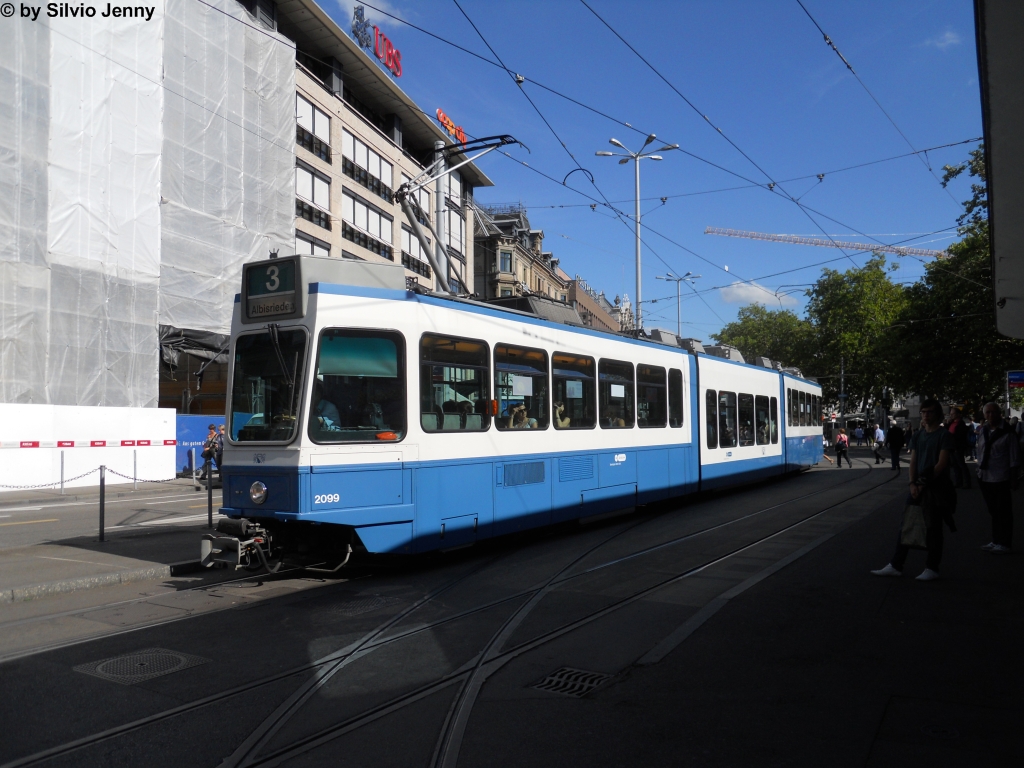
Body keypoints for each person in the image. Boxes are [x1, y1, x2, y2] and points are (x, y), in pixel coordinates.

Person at [872, 398, 956, 581]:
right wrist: (912, 483)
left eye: (929, 412)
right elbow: (913, 461)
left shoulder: (944, 435)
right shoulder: (918, 435)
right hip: (918, 485)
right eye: (923, 412)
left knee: (934, 527)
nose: (925, 415)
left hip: (936, 487)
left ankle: (932, 567)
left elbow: (941, 463)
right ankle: (896, 565)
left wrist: (923, 482)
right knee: (907, 523)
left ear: (937, 414)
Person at [976, 402, 1021, 554]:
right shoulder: (984, 430)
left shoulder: (1008, 432)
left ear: (999, 413)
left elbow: (1014, 457)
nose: (990, 415)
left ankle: (1005, 542)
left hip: (1001, 477)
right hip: (984, 476)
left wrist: (1014, 478)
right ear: (984, 415)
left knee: (1004, 512)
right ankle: (996, 540)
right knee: (993, 511)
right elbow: (980, 450)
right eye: (987, 412)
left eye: (993, 412)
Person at [946, 406, 972, 489]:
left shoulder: (961, 424)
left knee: (961, 465)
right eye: (950, 414)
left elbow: (960, 436)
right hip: (951, 447)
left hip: (958, 447)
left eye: (953, 414)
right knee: (955, 466)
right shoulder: (951, 423)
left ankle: (967, 482)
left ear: (958, 414)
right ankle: (958, 482)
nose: (951, 415)